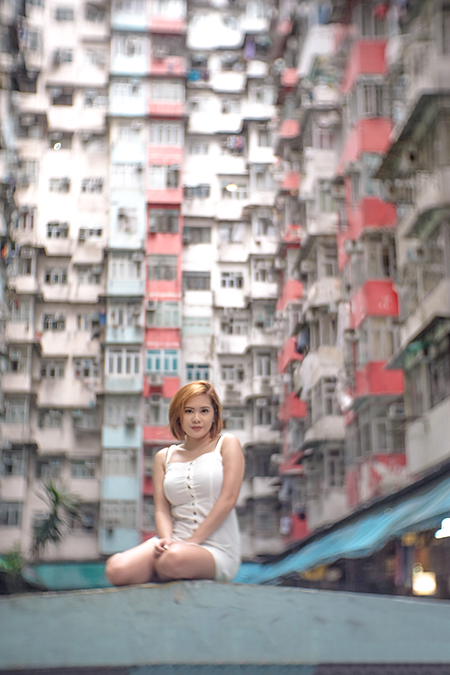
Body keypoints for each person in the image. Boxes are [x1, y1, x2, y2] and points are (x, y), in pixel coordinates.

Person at [105, 380, 245, 586]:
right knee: (116, 570)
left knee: (171, 561)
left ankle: (161, 569)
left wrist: (191, 544)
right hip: (173, 544)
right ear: (179, 415)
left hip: (216, 547)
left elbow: (228, 499)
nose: (196, 419)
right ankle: (161, 569)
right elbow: (162, 510)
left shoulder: (227, 444)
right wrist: (166, 540)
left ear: (214, 414)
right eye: (189, 411)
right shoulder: (164, 456)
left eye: (204, 411)